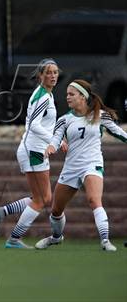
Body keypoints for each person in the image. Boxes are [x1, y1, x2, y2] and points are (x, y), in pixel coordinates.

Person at [35, 79, 127, 251]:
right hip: (71, 168)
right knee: (56, 210)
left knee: (94, 200)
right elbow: (56, 139)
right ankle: (56, 237)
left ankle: (105, 240)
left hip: (92, 164)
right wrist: (50, 147)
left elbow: (119, 133)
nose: (67, 97)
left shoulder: (99, 116)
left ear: (83, 97)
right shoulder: (65, 120)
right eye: (67, 94)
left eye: (71, 94)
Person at [0, 58, 62, 248]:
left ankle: (2, 212)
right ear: (40, 76)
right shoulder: (43, 96)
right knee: (42, 199)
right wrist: (55, 140)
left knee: (42, 197)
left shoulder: (46, 94)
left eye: (55, 72)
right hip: (33, 151)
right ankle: (14, 239)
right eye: (48, 72)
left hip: (34, 150)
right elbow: (34, 125)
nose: (53, 76)